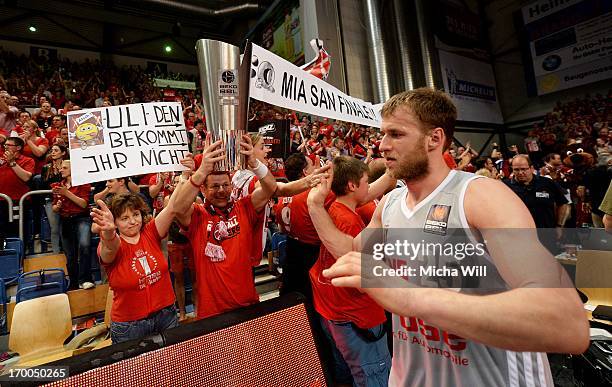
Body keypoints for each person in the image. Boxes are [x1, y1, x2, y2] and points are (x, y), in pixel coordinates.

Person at [307, 88, 588, 386]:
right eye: (382, 134)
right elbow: (352, 255)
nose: (382, 145)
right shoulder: (390, 205)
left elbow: (566, 324)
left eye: (396, 134)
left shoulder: (481, 196)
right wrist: (315, 206)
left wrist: (406, 295)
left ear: (435, 138)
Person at [173, 135, 278, 319]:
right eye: (214, 186)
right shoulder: (197, 215)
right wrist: (201, 171)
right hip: (213, 312)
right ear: (203, 190)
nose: (221, 190)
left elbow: (270, 187)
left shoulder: (244, 207)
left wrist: (254, 163)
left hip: (248, 304)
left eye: (225, 185)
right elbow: (177, 208)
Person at [310, 156, 390, 386]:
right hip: (354, 316)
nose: (368, 186)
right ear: (352, 185)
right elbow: (362, 280)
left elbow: (369, 191)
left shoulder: (332, 207)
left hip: (332, 310)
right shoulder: (349, 223)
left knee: (345, 368)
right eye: (365, 181)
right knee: (374, 375)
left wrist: (393, 173)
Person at [91, 192, 178, 344]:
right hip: (129, 326)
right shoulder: (111, 243)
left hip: (166, 315)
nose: (132, 221)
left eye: (136, 214)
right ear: (115, 222)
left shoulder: (150, 231)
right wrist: (110, 232)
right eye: (124, 218)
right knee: (135, 368)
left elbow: (172, 208)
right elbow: (110, 248)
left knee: (171, 363)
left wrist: (185, 177)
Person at [52, 160, 94, 290]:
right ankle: (74, 282)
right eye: (61, 168)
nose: (61, 170)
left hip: (81, 219)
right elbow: (54, 207)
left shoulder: (83, 183)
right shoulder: (58, 185)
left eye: (64, 168)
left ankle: (85, 279)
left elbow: (83, 204)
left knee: (85, 248)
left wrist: (67, 193)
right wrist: (57, 207)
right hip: (65, 220)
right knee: (70, 254)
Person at [505, 154, 570, 230]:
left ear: (531, 168)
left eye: (523, 169)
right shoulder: (505, 186)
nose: (520, 172)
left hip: (547, 233)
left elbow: (563, 204)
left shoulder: (547, 183)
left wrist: (559, 226)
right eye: (516, 170)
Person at [0, 137, 34, 240]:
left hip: (18, 201)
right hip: (1, 200)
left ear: (18, 147)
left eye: (9, 145)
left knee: (17, 232)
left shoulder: (27, 160)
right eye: (4, 145)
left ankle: (20, 253)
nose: (5, 147)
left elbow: (26, 177)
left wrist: (12, 162)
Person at [40, 144, 69, 253]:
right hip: (51, 200)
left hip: (67, 199)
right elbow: (43, 185)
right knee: (55, 228)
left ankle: (67, 252)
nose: (53, 152)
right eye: (52, 150)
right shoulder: (46, 168)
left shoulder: (68, 166)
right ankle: (56, 253)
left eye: (56, 150)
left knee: (65, 227)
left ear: (63, 153)